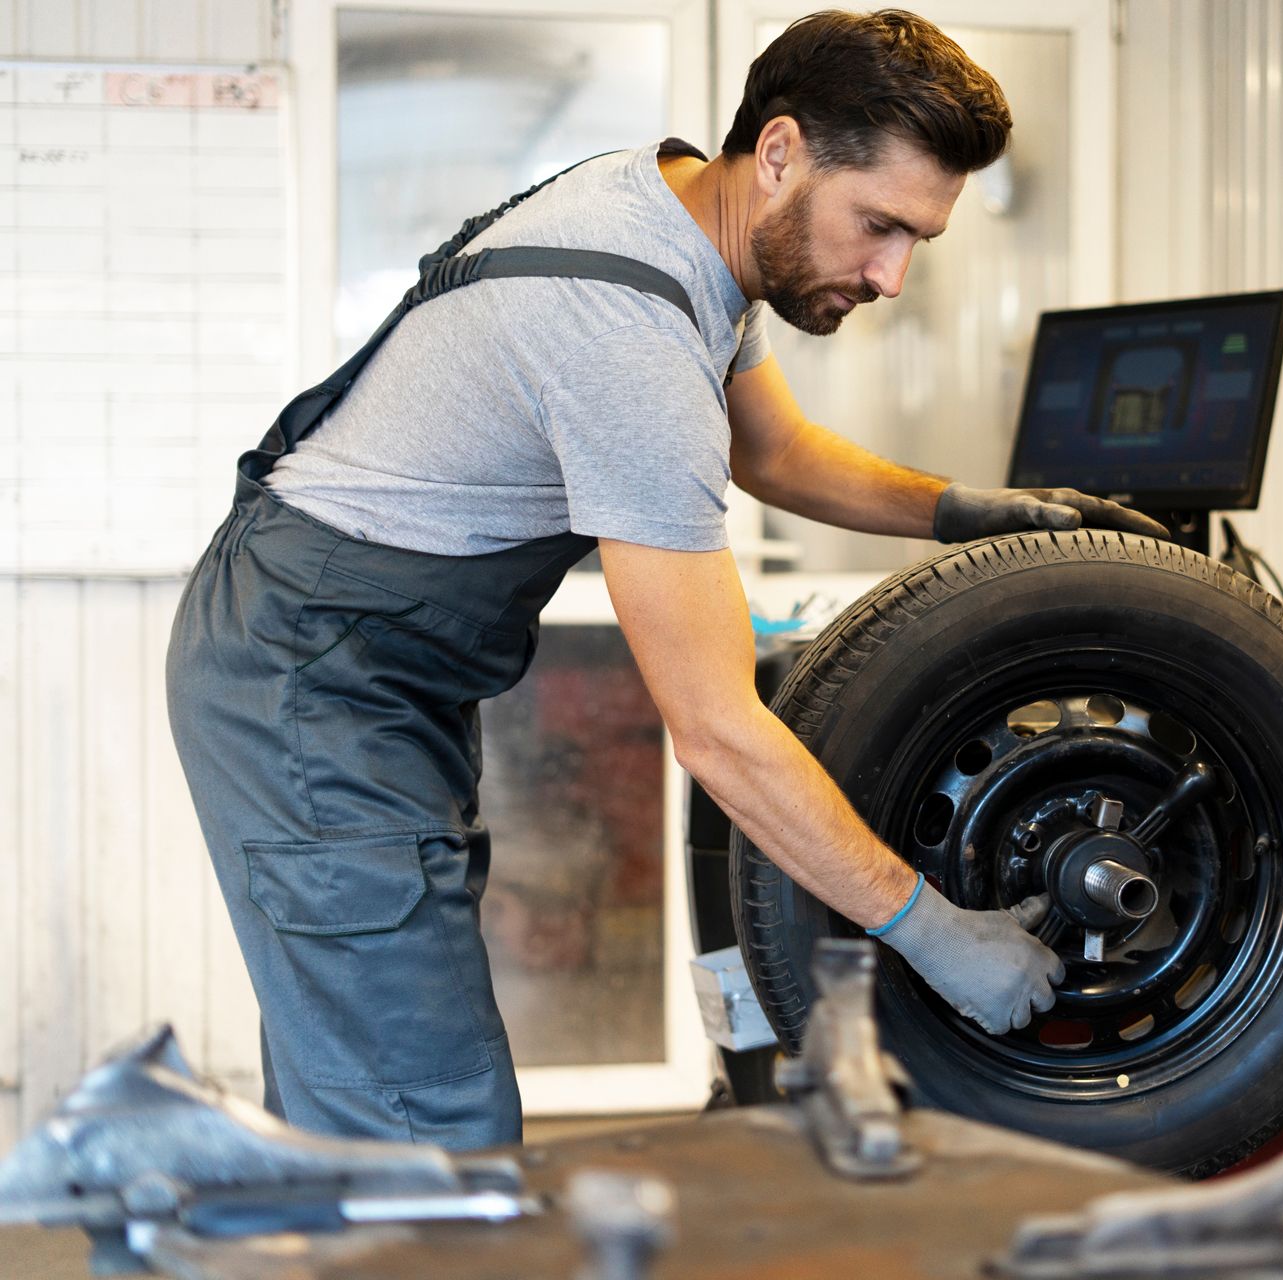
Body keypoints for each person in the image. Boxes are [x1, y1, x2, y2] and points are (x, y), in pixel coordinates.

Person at [166, 7, 1165, 1150]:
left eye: (917, 242)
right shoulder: (626, 322)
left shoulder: (682, 210)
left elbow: (773, 451)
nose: (890, 276)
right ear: (781, 151)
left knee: (365, 1087)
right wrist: (938, 932)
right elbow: (719, 731)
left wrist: (966, 512)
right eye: (879, 225)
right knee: (425, 1130)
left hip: (369, 666)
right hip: (310, 677)